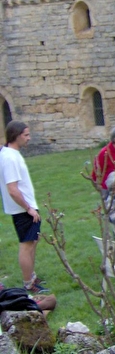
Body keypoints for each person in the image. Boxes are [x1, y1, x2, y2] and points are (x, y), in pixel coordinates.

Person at [0, 121, 49, 294]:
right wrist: (28, 208)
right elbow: (12, 190)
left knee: (33, 241)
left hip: (26, 208)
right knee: (26, 245)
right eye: (26, 135)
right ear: (16, 135)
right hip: (23, 210)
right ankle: (28, 283)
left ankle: (32, 276)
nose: (29, 138)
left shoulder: (11, 154)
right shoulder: (10, 158)